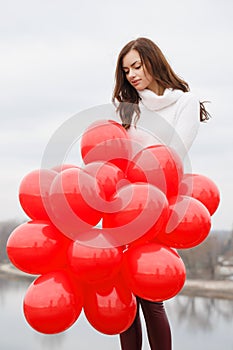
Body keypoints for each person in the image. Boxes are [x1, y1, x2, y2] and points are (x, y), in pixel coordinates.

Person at [112, 37, 210, 350]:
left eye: (137, 66)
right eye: (126, 70)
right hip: (122, 203)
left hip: (158, 204)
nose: (131, 74)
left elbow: (174, 155)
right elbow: (117, 155)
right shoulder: (128, 108)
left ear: (154, 62)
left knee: (150, 293)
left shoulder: (186, 102)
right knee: (122, 292)